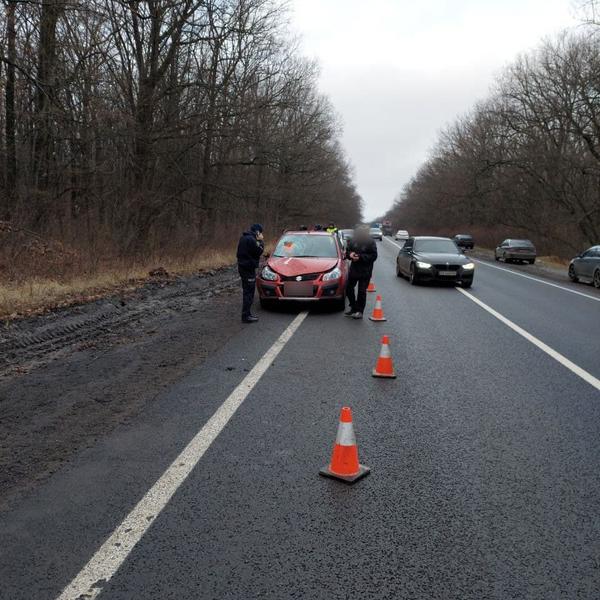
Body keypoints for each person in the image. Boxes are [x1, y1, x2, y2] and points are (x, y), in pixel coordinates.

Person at [344, 224, 377, 319]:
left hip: (365, 271)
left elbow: (374, 256)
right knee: (349, 288)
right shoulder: (353, 241)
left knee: (362, 291)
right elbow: (347, 252)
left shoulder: (370, 242)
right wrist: (350, 254)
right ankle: (353, 307)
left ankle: (359, 311)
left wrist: (360, 257)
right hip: (354, 270)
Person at [236, 224, 264, 323]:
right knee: (249, 292)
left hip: (244, 267)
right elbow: (259, 251)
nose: (261, 234)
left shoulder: (243, 238)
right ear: (257, 232)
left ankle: (247, 314)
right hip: (247, 269)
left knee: (247, 291)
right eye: (260, 232)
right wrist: (261, 241)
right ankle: (246, 316)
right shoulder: (252, 240)